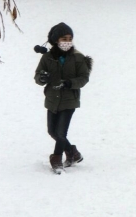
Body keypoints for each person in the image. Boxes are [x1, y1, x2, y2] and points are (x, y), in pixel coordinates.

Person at [33, 22, 92, 174]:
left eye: (69, 38)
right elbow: (38, 76)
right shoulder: (47, 58)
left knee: (61, 133)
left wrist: (70, 83)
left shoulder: (78, 58)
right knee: (52, 131)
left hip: (69, 99)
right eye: (63, 38)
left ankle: (56, 159)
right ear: (55, 40)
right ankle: (73, 153)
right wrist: (42, 78)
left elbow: (84, 78)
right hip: (52, 99)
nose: (67, 42)